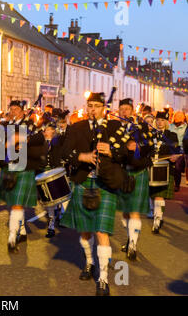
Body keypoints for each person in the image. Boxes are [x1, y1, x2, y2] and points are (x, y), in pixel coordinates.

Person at [60, 92, 127, 296]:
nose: (92, 109)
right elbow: (63, 153)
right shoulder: (77, 128)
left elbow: (125, 152)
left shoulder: (115, 127)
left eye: (97, 106)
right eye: (90, 105)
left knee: (101, 231)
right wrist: (83, 156)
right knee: (85, 230)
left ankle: (103, 278)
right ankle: (89, 262)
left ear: (104, 108)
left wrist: (110, 151)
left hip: (104, 183)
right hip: (83, 181)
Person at [0, 100, 42, 252]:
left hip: (24, 168)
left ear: (23, 111)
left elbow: (40, 142)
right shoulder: (4, 125)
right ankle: (21, 231)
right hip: (8, 167)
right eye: (11, 109)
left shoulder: (30, 126)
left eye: (16, 109)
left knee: (16, 203)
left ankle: (12, 237)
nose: (13, 112)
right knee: (14, 203)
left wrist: (24, 141)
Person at [117, 98, 153, 262]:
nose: (124, 111)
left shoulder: (142, 127)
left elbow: (150, 146)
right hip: (122, 172)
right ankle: (129, 237)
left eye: (127, 109)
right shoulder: (115, 128)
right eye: (121, 109)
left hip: (138, 172)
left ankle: (133, 244)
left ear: (132, 111)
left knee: (134, 211)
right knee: (125, 211)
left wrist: (137, 147)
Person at [150, 111, 179, 233]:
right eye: (157, 120)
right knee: (154, 196)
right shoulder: (150, 135)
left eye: (162, 120)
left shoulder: (172, 135)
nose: (159, 122)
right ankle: (158, 216)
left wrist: (175, 156)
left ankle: (157, 221)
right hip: (151, 168)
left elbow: (177, 151)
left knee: (159, 196)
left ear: (166, 122)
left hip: (165, 168)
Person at [169, 111, 188, 192]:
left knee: (177, 167)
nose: (178, 118)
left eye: (180, 116)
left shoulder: (186, 127)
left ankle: (177, 185)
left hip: (180, 150)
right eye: (176, 116)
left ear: (183, 118)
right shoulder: (170, 126)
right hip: (170, 149)